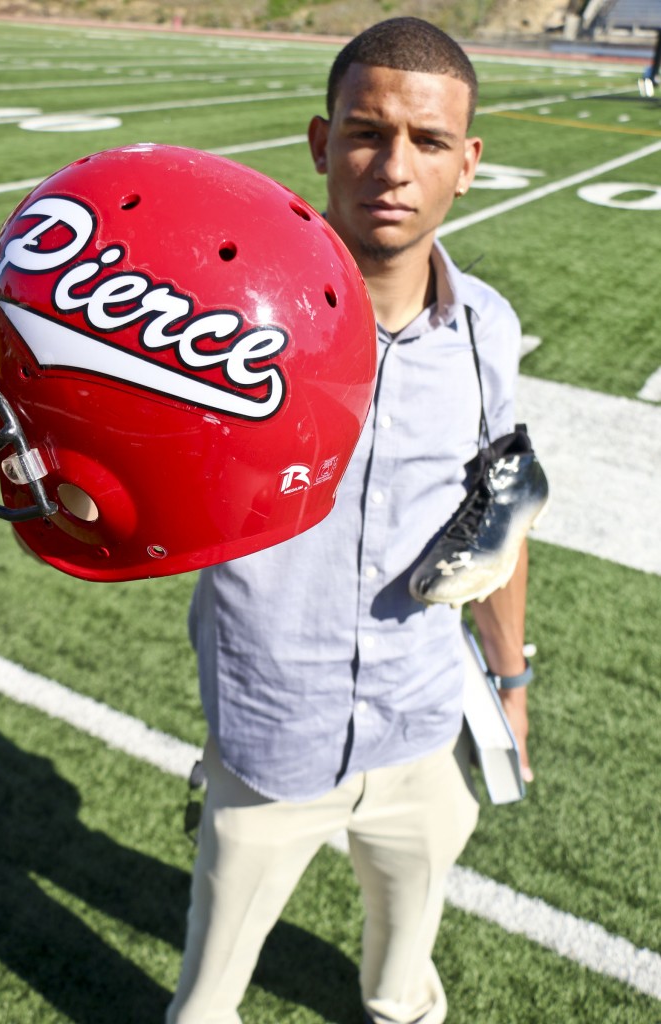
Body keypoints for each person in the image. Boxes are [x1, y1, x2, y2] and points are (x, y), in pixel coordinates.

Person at [167, 17, 533, 1024]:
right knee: (202, 1008)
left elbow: (502, 513)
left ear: (468, 164)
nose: (392, 166)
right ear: (323, 143)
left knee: (402, 993)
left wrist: (509, 681)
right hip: (269, 737)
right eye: (368, 133)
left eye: (425, 142)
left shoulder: (485, 329)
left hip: (421, 728)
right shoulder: (227, 319)